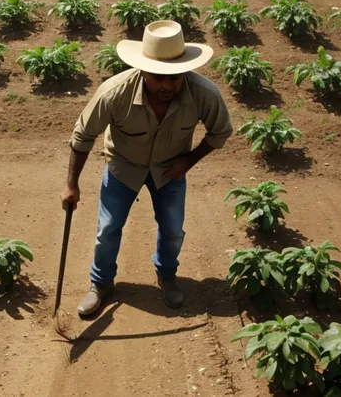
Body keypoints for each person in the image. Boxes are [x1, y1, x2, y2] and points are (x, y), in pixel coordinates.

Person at [61, 20, 233, 317]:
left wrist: (188, 161)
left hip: (170, 168)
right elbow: (83, 135)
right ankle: (101, 284)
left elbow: (221, 132)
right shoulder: (114, 93)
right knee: (108, 228)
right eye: (159, 78)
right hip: (123, 166)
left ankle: (166, 275)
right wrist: (71, 185)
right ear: (143, 71)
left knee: (172, 230)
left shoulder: (203, 93)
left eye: (175, 78)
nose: (168, 86)